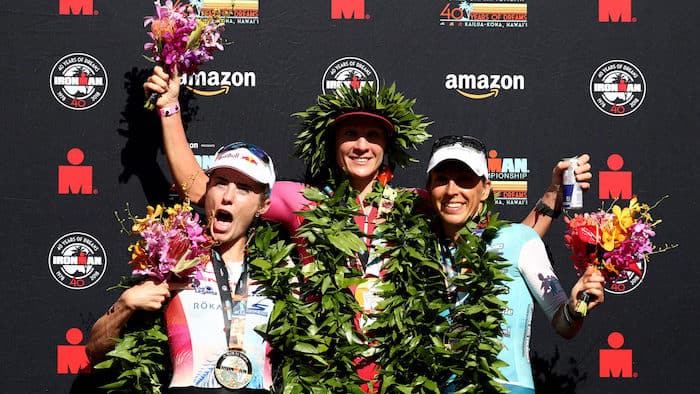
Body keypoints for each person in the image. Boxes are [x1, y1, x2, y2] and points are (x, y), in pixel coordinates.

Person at [142, 67, 593, 391]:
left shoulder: (417, 204)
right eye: (350, 135)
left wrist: (551, 199)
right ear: (333, 146)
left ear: (387, 149)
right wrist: (169, 110)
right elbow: (202, 188)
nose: (361, 144)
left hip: (400, 374)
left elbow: (498, 246)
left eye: (372, 136)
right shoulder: (302, 201)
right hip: (323, 374)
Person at [86, 142, 280, 393]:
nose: (228, 197)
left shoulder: (283, 274)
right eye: (220, 183)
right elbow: (95, 352)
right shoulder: (173, 263)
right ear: (206, 191)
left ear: (263, 206)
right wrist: (125, 305)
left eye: (244, 188)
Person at [425, 135, 605, 393]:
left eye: (465, 180)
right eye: (441, 180)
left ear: (485, 188)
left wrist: (575, 310)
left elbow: (564, 323)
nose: (452, 190)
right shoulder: (417, 248)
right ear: (429, 187)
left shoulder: (519, 239)